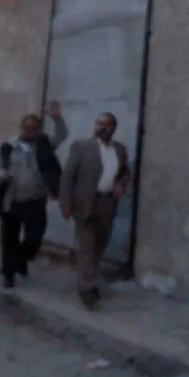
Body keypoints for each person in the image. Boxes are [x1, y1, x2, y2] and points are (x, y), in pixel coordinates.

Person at [60, 112, 132, 309]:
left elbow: (125, 172)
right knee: (85, 246)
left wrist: (121, 183)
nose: (102, 127)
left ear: (114, 128)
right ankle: (87, 288)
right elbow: (68, 177)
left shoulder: (119, 150)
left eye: (107, 125)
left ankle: (88, 275)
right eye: (99, 123)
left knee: (100, 244)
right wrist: (65, 204)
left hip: (107, 203)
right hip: (84, 203)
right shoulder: (82, 147)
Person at [0, 102, 68, 288]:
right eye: (27, 128)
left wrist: (57, 118)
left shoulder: (44, 144)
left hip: (35, 200)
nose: (31, 132)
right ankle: (9, 274)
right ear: (21, 128)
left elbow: (62, 135)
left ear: (39, 130)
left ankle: (19, 260)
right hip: (12, 199)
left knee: (34, 238)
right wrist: (1, 175)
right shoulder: (8, 147)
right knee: (9, 238)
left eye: (34, 129)